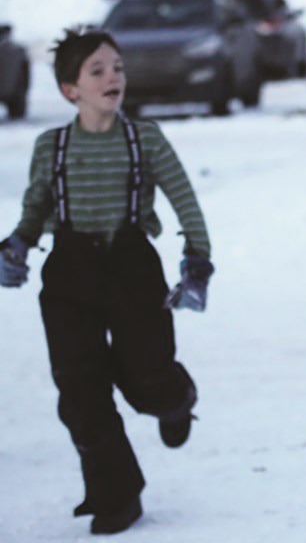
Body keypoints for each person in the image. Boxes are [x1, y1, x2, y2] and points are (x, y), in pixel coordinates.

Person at [0, 29, 214, 535]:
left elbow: (185, 200)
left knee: (145, 373)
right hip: (70, 271)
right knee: (79, 390)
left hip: (132, 267)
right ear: (69, 89)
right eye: (97, 70)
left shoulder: (145, 139)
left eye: (117, 67)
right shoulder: (51, 146)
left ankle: (173, 399)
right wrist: (18, 244)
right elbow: (35, 207)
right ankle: (116, 493)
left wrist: (198, 258)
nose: (112, 77)